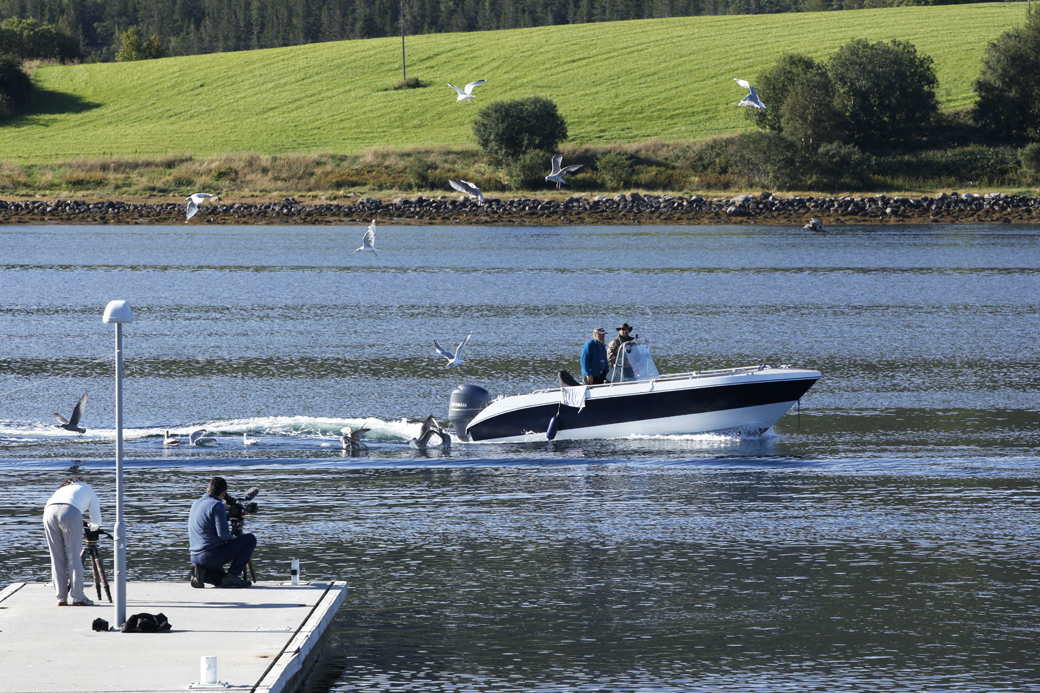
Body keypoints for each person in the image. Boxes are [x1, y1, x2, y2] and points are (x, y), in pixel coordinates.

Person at [188, 476, 256, 588]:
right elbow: (223, 535)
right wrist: (234, 539)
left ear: (208, 489)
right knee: (250, 539)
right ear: (223, 494)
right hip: (210, 556)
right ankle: (233, 575)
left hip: (195, 556)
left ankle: (200, 573)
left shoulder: (196, 503)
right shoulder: (217, 505)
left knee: (222, 580)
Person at [43, 476, 102, 606]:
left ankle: (61, 598)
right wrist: (90, 527)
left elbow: (60, 510)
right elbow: (97, 521)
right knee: (74, 557)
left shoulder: (61, 490)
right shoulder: (88, 489)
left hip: (48, 513)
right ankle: (78, 596)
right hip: (71, 512)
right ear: (82, 481)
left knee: (56, 558)